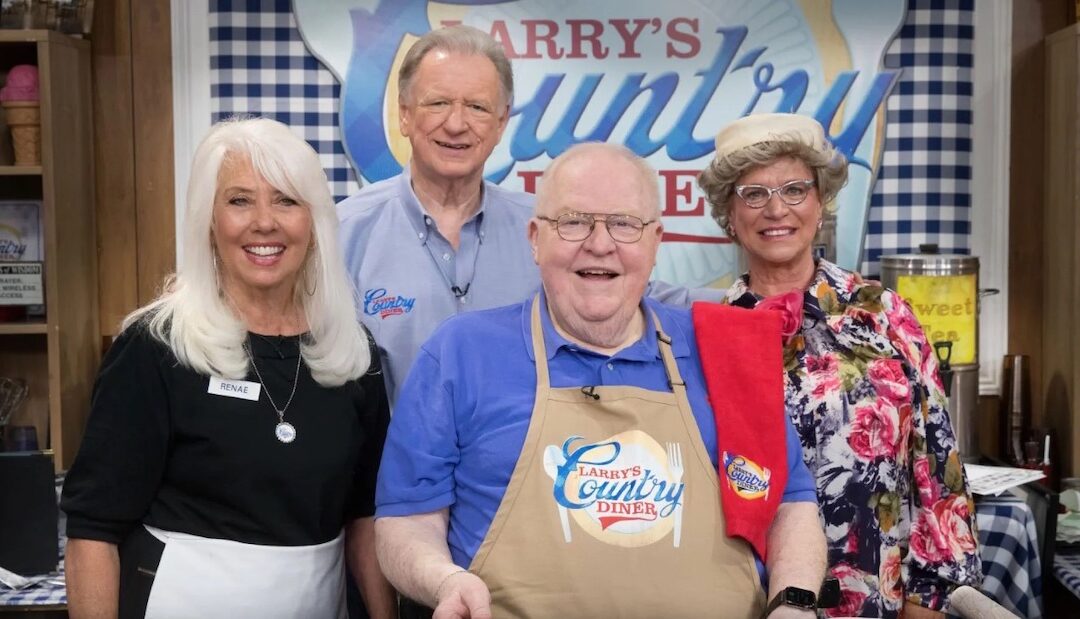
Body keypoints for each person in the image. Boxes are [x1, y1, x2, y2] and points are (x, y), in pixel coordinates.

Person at [374, 142, 826, 619]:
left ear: (655, 243)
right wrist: (444, 580)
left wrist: (793, 602)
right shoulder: (460, 352)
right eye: (573, 221)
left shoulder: (724, 348)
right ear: (534, 238)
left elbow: (788, 506)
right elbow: (407, 521)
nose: (600, 242)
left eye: (624, 224)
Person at [61, 118, 396, 619]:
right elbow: (93, 530)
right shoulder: (155, 347)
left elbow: (364, 515)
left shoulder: (351, 352)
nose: (265, 222)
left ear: (316, 221)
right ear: (209, 220)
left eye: (286, 200)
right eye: (239, 200)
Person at [337, 25, 723, 407]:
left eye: (477, 107)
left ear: (502, 122)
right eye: (438, 103)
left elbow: (640, 294)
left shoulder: (549, 225)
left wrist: (764, 300)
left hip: (533, 462)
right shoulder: (345, 233)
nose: (456, 124)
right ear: (404, 115)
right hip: (399, 465)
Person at [698, 113, 982, 618]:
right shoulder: (708, 333)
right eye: (754, 194)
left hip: (878, 601)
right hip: (754, 603)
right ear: (729, 212)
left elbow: (937, 474)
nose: (776, 209)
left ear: (821, 199)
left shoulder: (885, 314)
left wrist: (927, 605)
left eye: (794, 189)